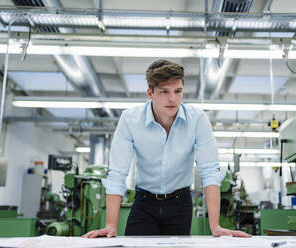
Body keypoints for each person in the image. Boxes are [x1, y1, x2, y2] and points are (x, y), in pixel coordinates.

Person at [83, 59, 251, 238]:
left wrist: (215, 226)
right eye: (164, 92)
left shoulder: (198, 120)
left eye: (178, 91)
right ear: (150, 93)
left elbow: (209, 172)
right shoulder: (130, 120)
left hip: (180, 204)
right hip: (144, 203)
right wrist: (110, 225)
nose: (173, 99)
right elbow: (117, 174)